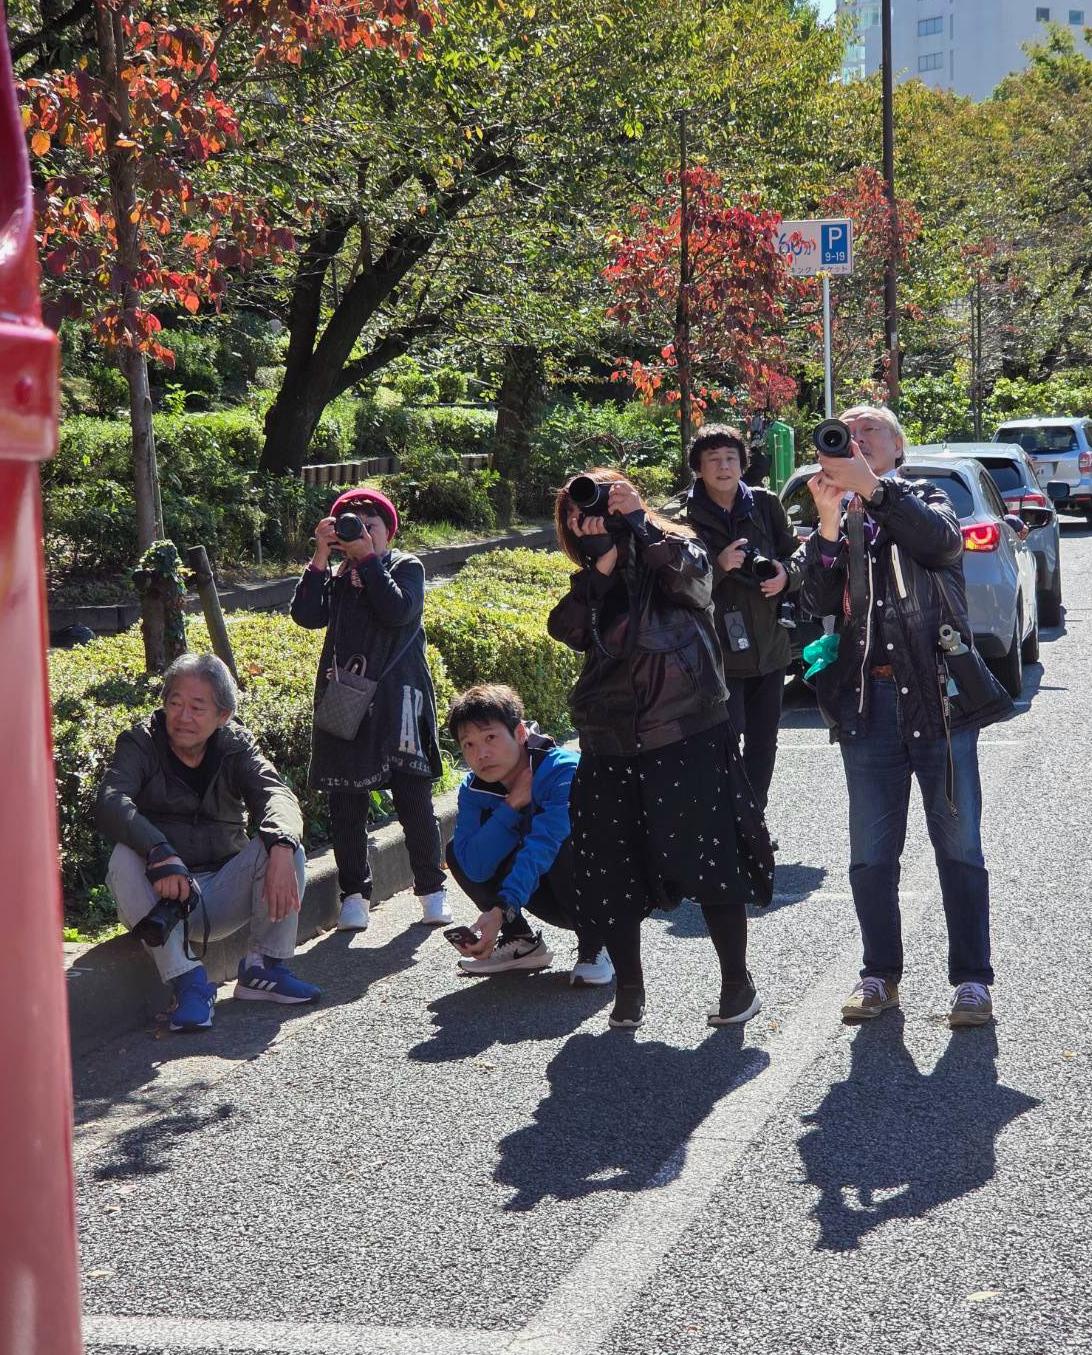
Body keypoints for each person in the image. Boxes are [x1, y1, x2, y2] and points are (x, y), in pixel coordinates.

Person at [799, 404, 1012, 1029]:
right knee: (870, 853)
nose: (855, 437)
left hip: (939, 701)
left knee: (959, 847)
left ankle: (971, 981)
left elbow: (940, 543)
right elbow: (814, 598)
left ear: (898, 447)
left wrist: (872, 488)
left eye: (869, 430)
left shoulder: (925, 496)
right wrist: (828, 522)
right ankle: (878, 975)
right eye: (846, 431)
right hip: (868, 704)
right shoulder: (838, 513)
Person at [547, 469, 774, 1031]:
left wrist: (640, 523)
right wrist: (601, 565)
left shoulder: (676, 545)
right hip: (610, 739)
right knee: (611, 865)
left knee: (711, 858)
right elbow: (568, 630)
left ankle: (737, 982)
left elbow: (693, 582)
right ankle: (629, 989)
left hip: (685, 729)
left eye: (600, 502)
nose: (588, 516)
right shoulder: (593, 574)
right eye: (576, 512)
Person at [94, 653, 321, 1033]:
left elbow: (276, 795)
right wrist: (158, 851)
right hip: (160, 896)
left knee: (283, 845)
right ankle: (189, 984)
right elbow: (110, 800)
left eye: (197, 708)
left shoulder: (236, 746)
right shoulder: (141, 742)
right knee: (122, 857)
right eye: (175, 703)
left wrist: (282, 844)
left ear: (223, 715)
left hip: (221, 891)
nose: (183, 717)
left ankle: (264, 969)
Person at [291, 487, 451, 933]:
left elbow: (398, 610)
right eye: (350, 525)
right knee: (346, 802)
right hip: (348, 702)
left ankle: (432, 891)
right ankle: (354, 896)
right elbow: (306, 616)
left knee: (413, 798)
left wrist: (368, 562)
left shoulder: (406, 567)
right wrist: (320, 557)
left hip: (401, 701)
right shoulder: (339, 576)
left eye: (369, 525)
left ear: (388, 532)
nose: (360, 532)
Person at [445, 683, 613, 985]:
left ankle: (598, 941)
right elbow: (474, 866)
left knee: (563, 840)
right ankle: (520, 941)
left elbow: (545, 844)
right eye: (468, 744)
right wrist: (511, 806)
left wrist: (502, 908)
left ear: (520, 733)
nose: (481, 754)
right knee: (457, 850)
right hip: (543, 892)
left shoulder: (563, 770)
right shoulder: (473, 789)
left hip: (607, 890)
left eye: (490, 737)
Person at [682, 423, 801, 814]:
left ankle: (754, 817)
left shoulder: (765, 504)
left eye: (731, 458)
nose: (723, 467)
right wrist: (718, 566)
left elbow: (797, 556)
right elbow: (674, 584)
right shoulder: (684, 516)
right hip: (716, 653)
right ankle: (726, 819)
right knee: (724, 740)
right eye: (713, 459)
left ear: (742, 464)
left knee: (765, 742)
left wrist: (786, 576)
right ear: (698, 467)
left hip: (769, 646)